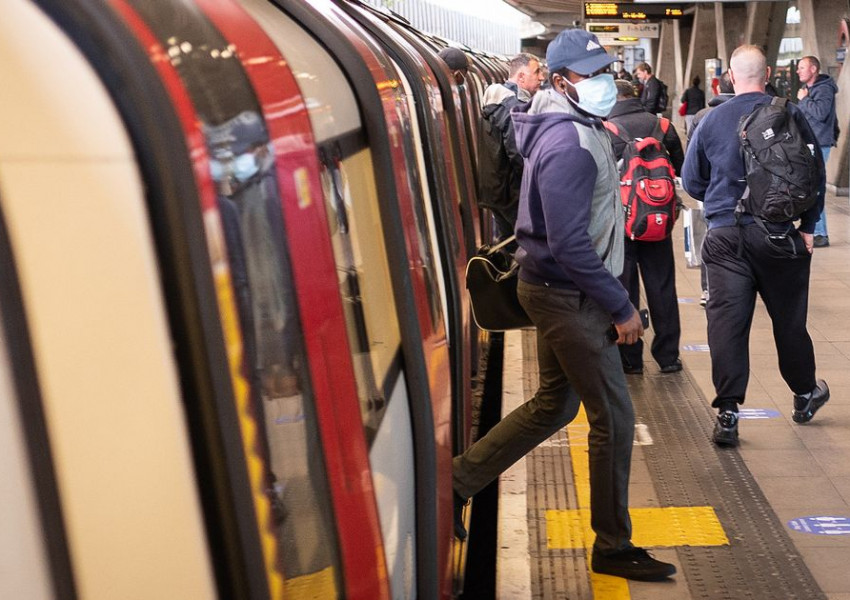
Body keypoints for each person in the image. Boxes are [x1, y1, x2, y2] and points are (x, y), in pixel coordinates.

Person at [454, 29, 677, 582]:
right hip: (567, 297)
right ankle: (612, 546)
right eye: (590, 75)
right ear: (560, 82)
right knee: (615, 420)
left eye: (604, 72)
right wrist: (621, 305)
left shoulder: (573, 127)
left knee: (555, 405)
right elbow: (569, 243)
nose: (604, 83)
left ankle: (456, 483)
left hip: (558, 291)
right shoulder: (566, 146)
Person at [682, 45, 829, 447]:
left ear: (730, 76)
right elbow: (815, 174)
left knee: (727, 324)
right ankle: (804, 395)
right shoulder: (790, 113)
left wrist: (720, 201)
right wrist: (809, 226)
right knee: (789, 320)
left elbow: (692, 181)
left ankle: (728, 413)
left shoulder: (710, 120)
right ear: (767, 76)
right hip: (780, 234)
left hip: (726, 237)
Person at [605, 79, 685, 375]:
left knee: (625, 289)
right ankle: (668, 357)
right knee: (662, 286)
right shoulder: (663, 127)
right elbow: (681, 168)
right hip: (658, 221)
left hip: (621, 224)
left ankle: (631, 358)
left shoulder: (606, 129)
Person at [478, 53, 545, 239]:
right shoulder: (514, 108)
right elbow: (520, 154)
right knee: (529, 247)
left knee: (510, 243)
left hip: (497, 191)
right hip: (514, 193)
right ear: (521, 77)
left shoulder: (496, 101)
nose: (541, 77)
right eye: (537, 72)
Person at [689, 70, 735, 307]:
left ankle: (708, 290)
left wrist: (703, 192)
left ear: (718, 89)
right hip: (748, 194)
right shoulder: (760, 110)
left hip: (711, 191)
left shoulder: (703, 116)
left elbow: (691, 162)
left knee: (711, 237)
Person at [796, 55, 838, 247]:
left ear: (813, 69)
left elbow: (821, 113)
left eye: (802, 67)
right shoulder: (811, 89)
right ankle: (815, 230)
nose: (798, 71)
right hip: (812, 143)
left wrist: (804, 100)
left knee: (815, 188)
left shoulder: (824, 89)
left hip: (820, 143)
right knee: (811, 187)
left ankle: (820, 233)